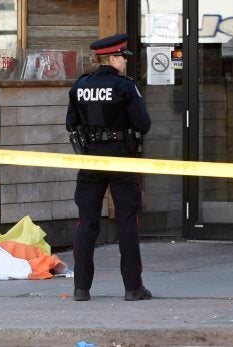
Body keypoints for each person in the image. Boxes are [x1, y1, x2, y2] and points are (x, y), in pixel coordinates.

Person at [65, 33, 152, 302]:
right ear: (113, 58)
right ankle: (133, 288)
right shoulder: (125, 86)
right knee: (127, 222)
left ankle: (81, 289)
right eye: (122, 58)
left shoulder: (80, 86)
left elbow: (71, 123)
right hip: (121, 158)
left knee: (87, 223)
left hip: (90, 159)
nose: (125, 62)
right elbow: (143, 124)